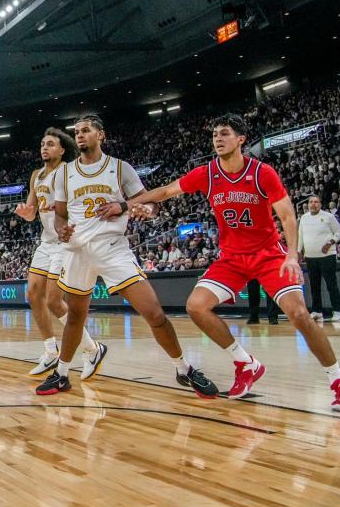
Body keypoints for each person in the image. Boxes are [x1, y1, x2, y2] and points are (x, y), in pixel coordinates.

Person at [129, 115, 340, 410]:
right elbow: (166, 191)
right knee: (196, 306)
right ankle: (245, 362)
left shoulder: (262, 172)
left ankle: (338, 381)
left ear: (241, 139)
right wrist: (125, 204)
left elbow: (286, 216)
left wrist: (292, 254)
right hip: (232, 258)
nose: (217, 139)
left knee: (299, 315)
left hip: (268, 254)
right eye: (215, 135)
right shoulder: (207, 173)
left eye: (224, 133)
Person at [37, 116, 217, 398]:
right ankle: (61, 374)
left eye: (86, 130)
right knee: (75, 316)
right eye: (77, 132)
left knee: (154, 312)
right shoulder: (63, 173)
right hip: (77, 251)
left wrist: (146, 211)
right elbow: (59, 214)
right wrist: (62, 230)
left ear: (101, 135)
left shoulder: (121, 168)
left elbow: (149, 203)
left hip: (112, 247)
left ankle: (184, 369)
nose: (80, 135)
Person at [15, 127, 102, 378]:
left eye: (50, 144)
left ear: (62, 150)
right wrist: (25, 212)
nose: (44, 147)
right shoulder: (36, 175)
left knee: (54, 300)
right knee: (33, 294)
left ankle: (92, 349)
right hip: (46, 241)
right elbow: (32, 212)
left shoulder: (69, 170)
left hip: (66, 241)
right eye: (42, 143)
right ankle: (50, 351)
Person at [299, 195, 340, 322]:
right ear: (308, 204)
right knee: (314, 285)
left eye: (316, 202)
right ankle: (317, 311)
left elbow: (339, 232)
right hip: (310, 257)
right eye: (311, 202)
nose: (313, 204)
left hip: (327, 256)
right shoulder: (303, 218)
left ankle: (337, 311)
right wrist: (298, 251)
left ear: (320, 204)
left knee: (331, 285)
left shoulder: (329, 217)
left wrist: (330, 242)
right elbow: (300, 236)